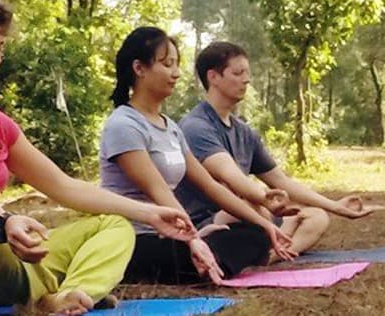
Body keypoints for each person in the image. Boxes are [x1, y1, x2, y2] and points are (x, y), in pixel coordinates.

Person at [0, 0, 195, 316]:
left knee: (114, 226)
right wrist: (5, 222)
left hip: (2, 249)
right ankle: (44, 296)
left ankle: (70, 296)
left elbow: (63, 186)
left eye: (1, 46)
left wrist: (149, 213)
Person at [99, 27, 295, 285]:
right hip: (135, 237)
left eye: (177, 64)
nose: (176, 73)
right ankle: (202, 260)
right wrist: (193, 237)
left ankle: (208, 258)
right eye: (167, 64)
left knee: (256, 232)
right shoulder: (124, 125)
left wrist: (265, 223)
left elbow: (211, 186)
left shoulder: (170, 128)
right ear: (139, 68)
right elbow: (160, 192)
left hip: (173, 232)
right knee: (216, 247)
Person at [175, 41, 381, 257]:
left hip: (249, 215)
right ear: (213, 77)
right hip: (212, 221)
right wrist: (265, 201)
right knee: (257, 212)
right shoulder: (196, 127)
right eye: (238, 73)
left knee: (317, 217)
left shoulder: (244, 132)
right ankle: (268, 247)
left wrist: (335, 206)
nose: (246, 79)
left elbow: (281, 181)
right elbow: (234, 177)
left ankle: (271, 255)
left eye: (247, 72)